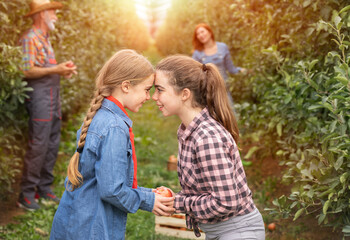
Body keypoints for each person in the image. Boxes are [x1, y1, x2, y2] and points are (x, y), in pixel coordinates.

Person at [50, 50, 175, 240]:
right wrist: (149, 201)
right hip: (91, 228)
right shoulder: (115, 127)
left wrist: (149, 193)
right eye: (146, 89)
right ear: (126, 86)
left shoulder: (101, 116)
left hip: (76, 220)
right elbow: (112, 190)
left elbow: (107, 180)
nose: (148, 97)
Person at [152, 55, 265, 240]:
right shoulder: (189, 132)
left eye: (160, 90)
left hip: (238, 232)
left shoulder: (206, 138)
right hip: (221, 231)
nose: (154, 97)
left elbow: (226, 202)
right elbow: (207, 191)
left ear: (185, 94)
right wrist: (175, 198)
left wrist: (178, 203)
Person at [17, 0, 78, 211]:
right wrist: (55, 70)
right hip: (40, 98)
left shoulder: (45, 38)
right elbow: (27, 70)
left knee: (52, 144)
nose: (55, 16)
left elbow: (46, 67)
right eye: (53, 12)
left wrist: (63, 69)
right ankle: (26, 194)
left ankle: (44, 188)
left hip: (52, 97)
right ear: (42, 14)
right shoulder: (29, 38)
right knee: (38, 145)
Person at [192, 23, 247, 106]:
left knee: (230, 116)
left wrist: (242, 70)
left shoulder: (222, 47)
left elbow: (231, 68)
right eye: (198, 34)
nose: (200, 35)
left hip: (224, 89)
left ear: (210, 32)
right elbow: (194, 74)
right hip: (208, 94)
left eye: (202, 32)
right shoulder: (197, 54)